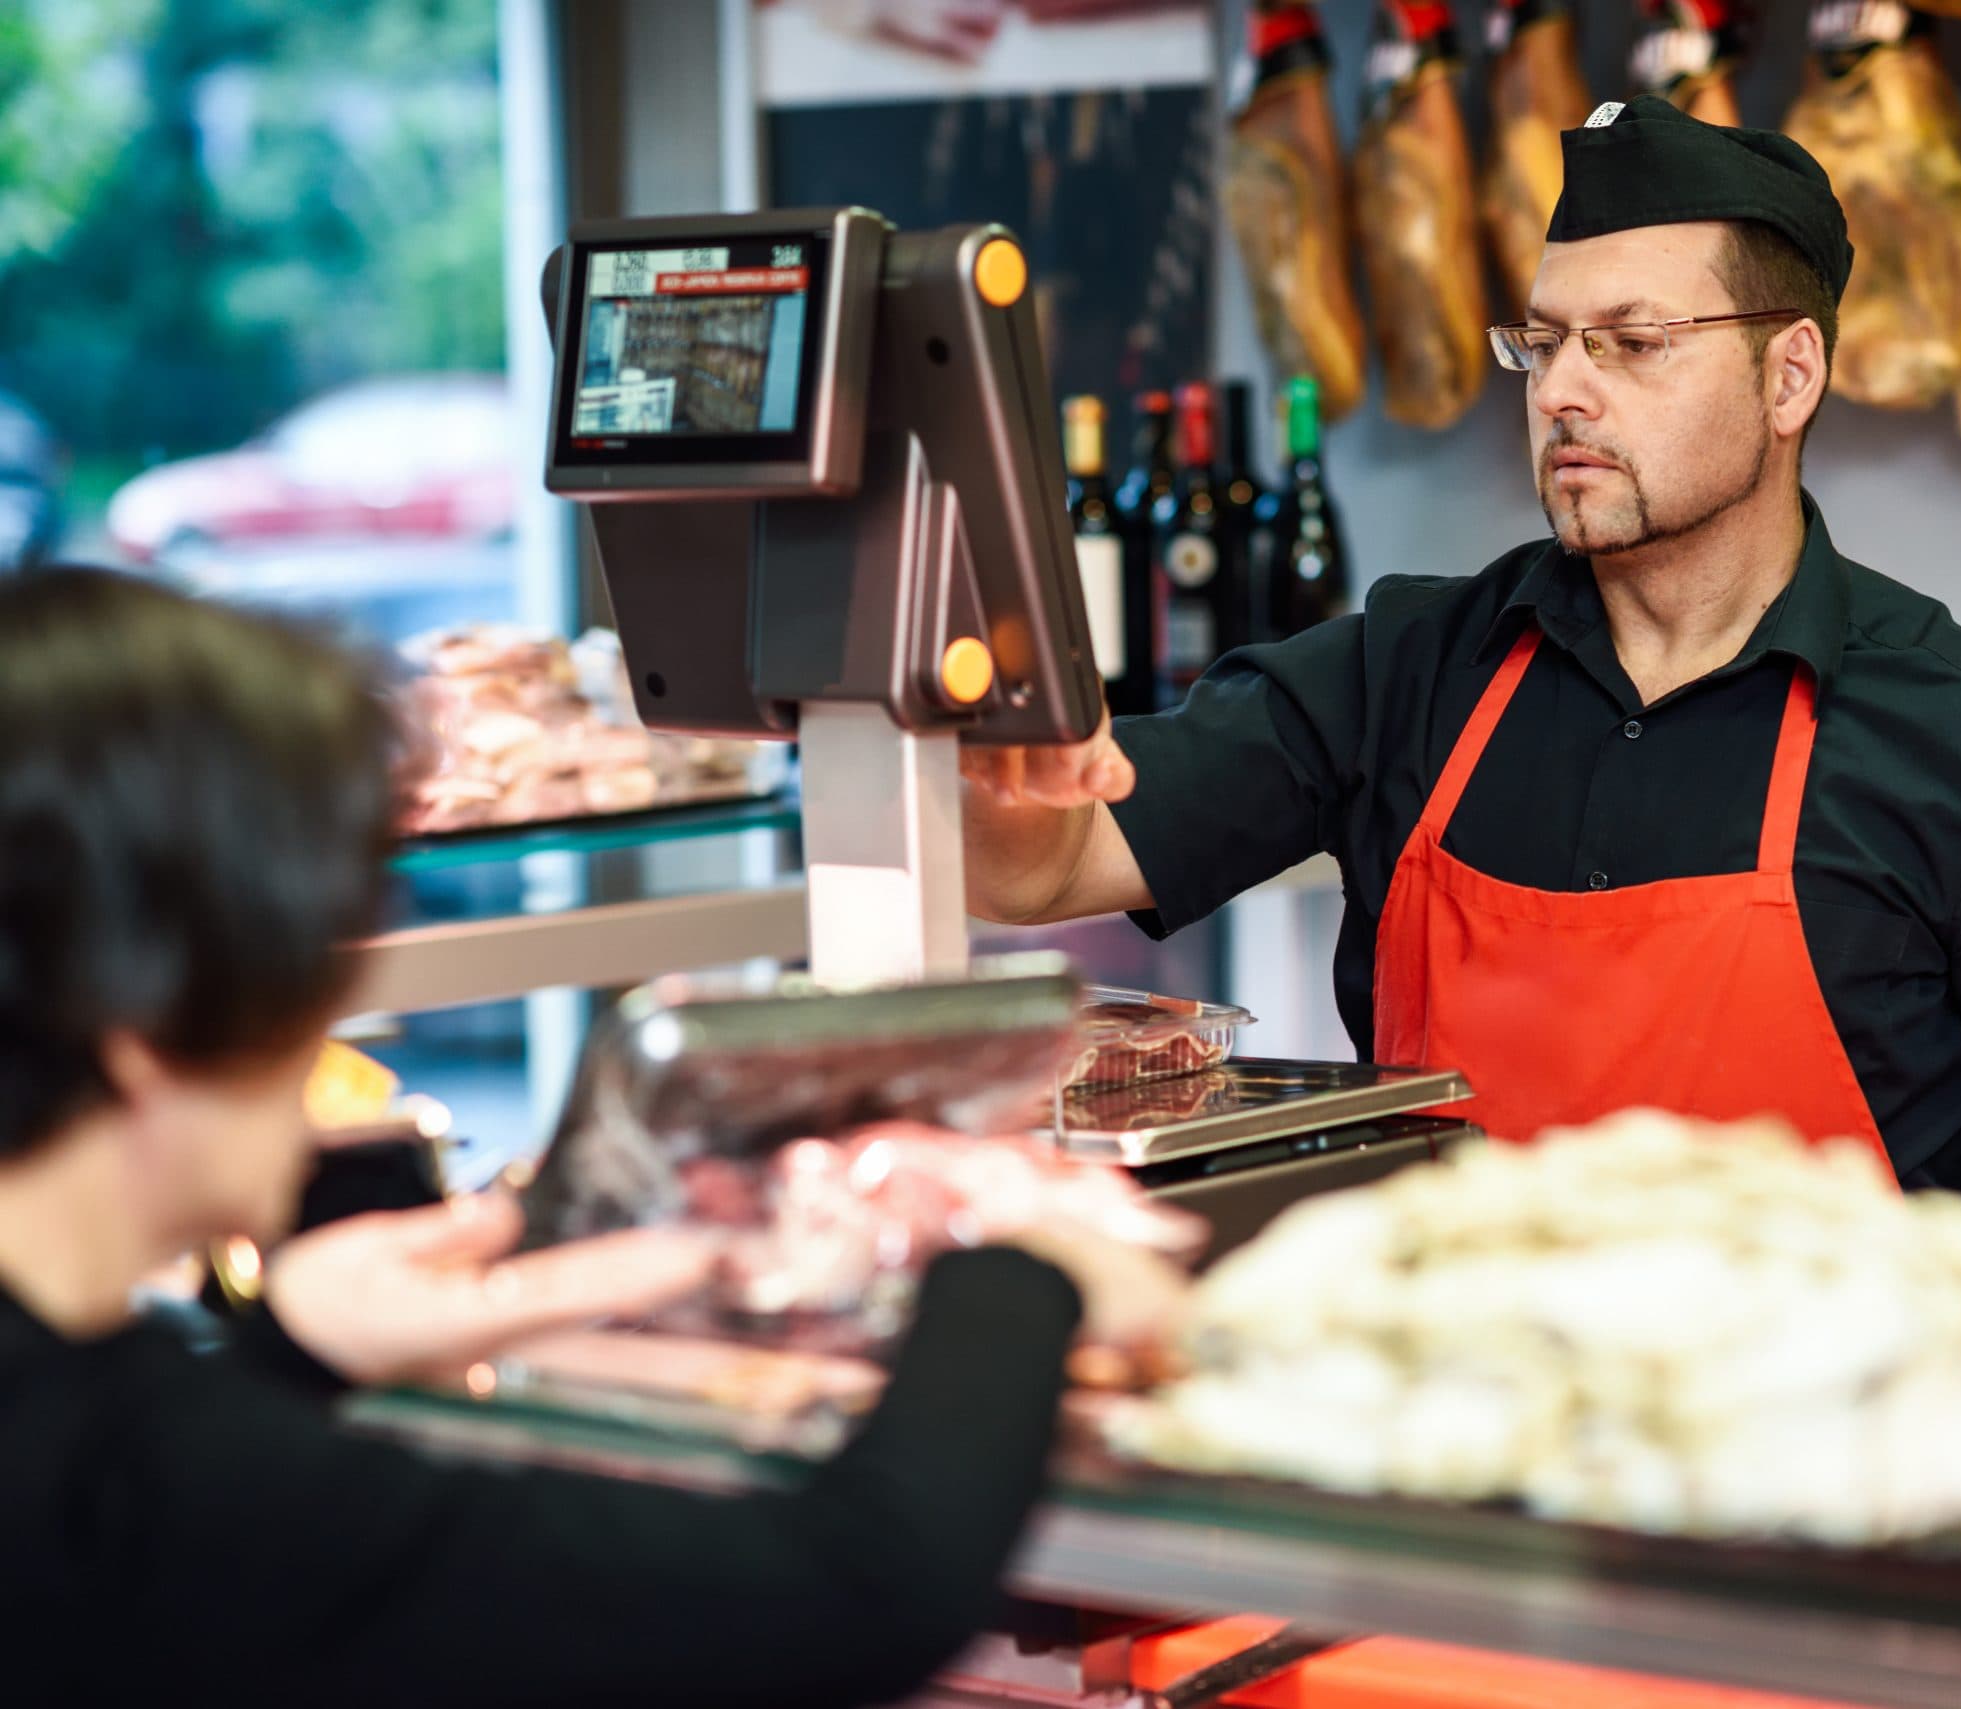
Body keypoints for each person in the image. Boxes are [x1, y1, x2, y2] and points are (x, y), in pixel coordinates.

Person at [963, 98, 1961, 1195]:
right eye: (1543, 341)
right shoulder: (1403, 671)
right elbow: (1035, 870)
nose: (1561, 389)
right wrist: (979, 734)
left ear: (1789, 376)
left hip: (1813, 1443)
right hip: (1433, 1426)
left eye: (1632, 342)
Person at [0, 567, 1183, 1706]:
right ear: (142, 1024)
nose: (327, 1048)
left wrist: (294, 1347)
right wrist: (1026, 1268)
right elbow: (852, 1585)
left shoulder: (93, 1431)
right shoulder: (146, 1486)